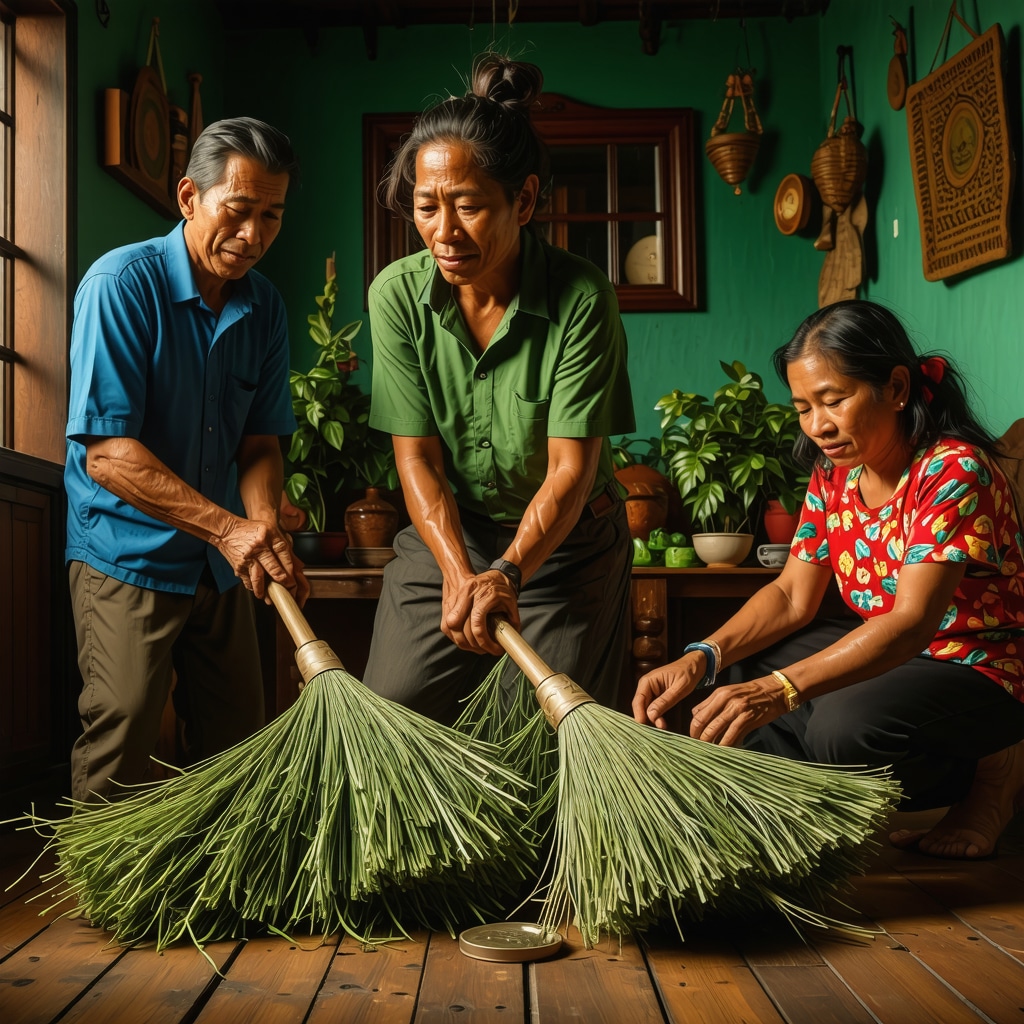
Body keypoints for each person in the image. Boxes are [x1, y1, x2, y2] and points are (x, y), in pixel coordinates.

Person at [634, 299, 1024, 860]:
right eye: (802, 408)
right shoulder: (835, 473)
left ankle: (997, 767)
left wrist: (783, 690)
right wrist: (703, 655)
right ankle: (780, 823)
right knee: (729, 679)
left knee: (842, 728)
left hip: (972, 664)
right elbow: (792, 594)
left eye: (834, 400)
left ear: (895, 388)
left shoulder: (951, 469)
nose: (818, 425)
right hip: (889, 652)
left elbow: (913, 622)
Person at [362, 53, 635, 724]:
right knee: (392, 707)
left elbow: (573, 471)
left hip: (567, 548)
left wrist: (508, 574)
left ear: (526, 200)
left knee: (532, 734)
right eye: (427, 208)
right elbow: (417, 457)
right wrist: (458, 570)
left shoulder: (581, 298)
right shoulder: (396, 296)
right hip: (453, 535)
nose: (444, 234)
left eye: (469, 208)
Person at [65, 117, 309, 802]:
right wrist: (232, 530)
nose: (254, 234)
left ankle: (220, 896)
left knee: (237, 738)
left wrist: (263, 531)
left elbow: (260, 440)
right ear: (187, 197)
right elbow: (109, 456)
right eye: (238, 210)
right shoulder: (120, 284)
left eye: (271, 216)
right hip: (126, 549)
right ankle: (102, 902)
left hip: (219, 560)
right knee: (124, 724)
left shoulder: (264, 309)